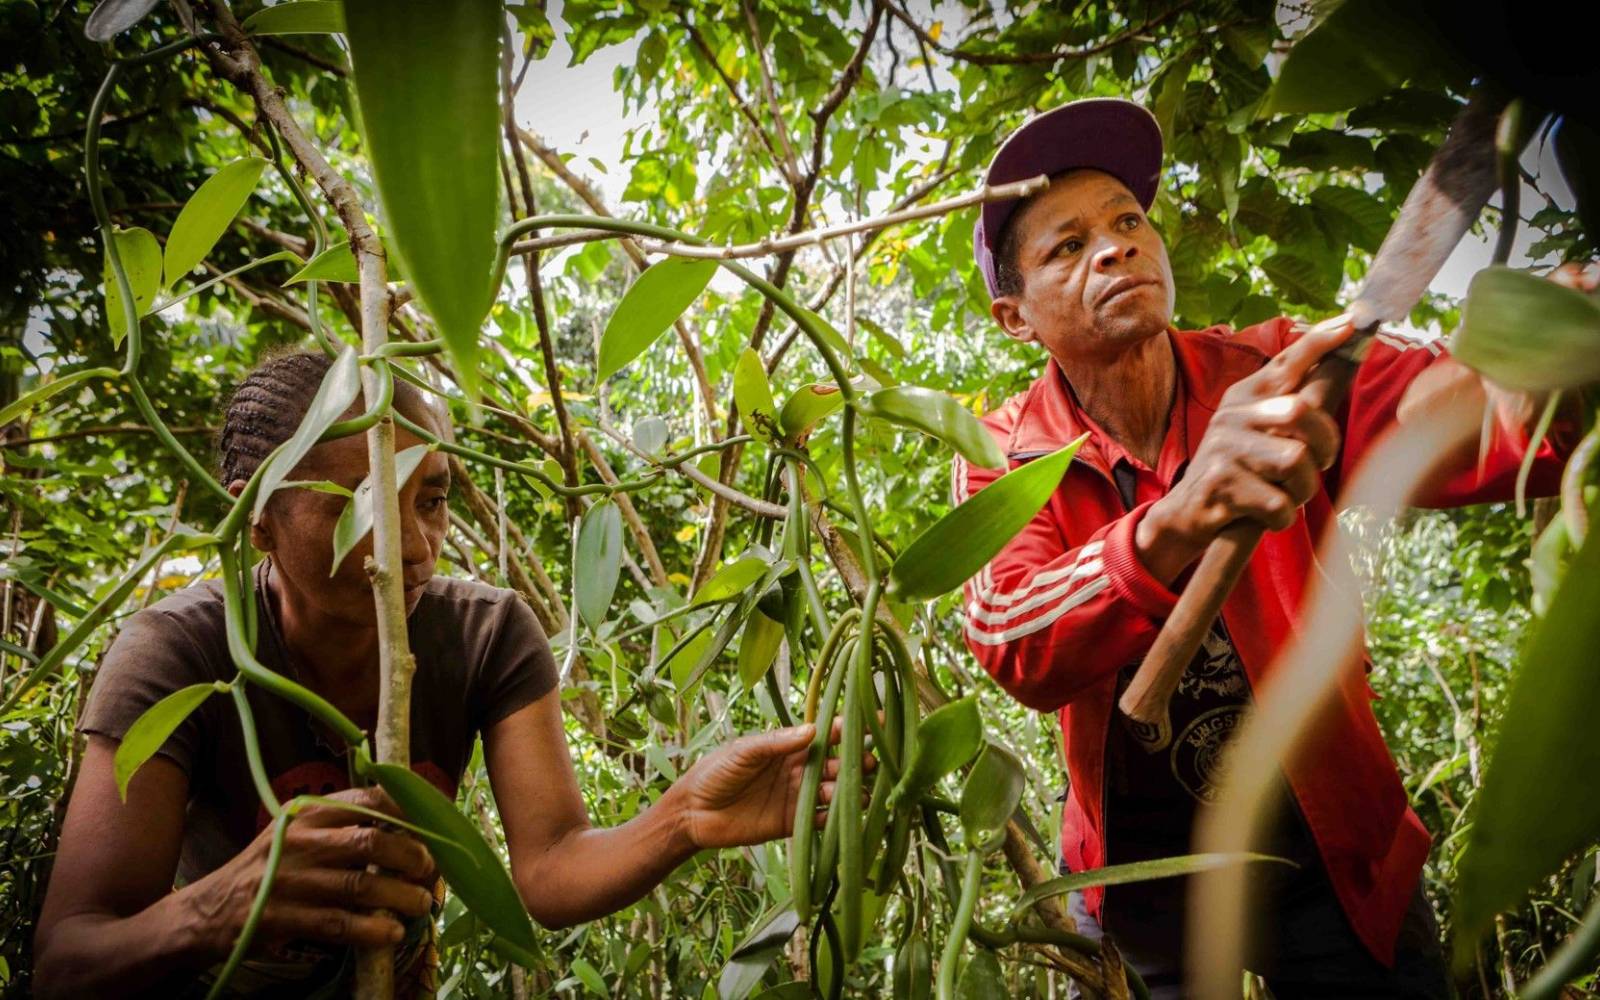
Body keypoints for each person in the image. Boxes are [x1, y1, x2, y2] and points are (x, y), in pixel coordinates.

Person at [958, 98, 1594, 997]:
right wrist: (1177, 520)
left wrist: (1541, 368)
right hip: (1149, 880)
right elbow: (1009, 634)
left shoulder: (1279, 372)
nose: (1115, 247)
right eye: (1067, 247)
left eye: (1128, 221)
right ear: (1014, 317)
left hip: (1331, 849)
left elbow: (1449, 414)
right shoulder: (1007, 454)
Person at [34, 351, 850, 997]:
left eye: (430, 499)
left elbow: (550, 866)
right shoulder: (178, 656)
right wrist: (217, 909)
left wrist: (681, 820)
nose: (415, 549)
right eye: (362, 507)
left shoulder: (484, 634)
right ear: (261, 518)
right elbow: (68, 962)